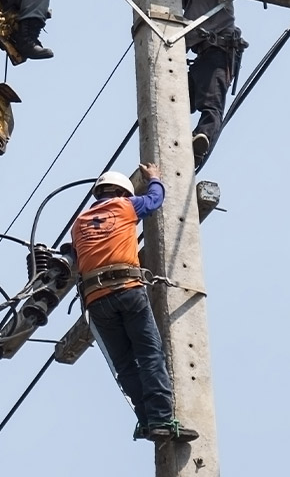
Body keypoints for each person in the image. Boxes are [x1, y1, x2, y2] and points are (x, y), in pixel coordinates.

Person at [70, 164, 199, 443]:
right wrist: (155, 178)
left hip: (96, 300)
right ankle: (161, 418)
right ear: (121, 192)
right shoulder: (124, 206)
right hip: (127, 289)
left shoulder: (78, 224)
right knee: (150, 354)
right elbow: (155, 200)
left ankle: (147, 420)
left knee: (126, 365)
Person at [151, 0, 249, 165]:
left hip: (220, 51)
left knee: (211, 105)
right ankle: (177, 146)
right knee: (172, 99)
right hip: (199, 56)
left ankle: (201, 139)